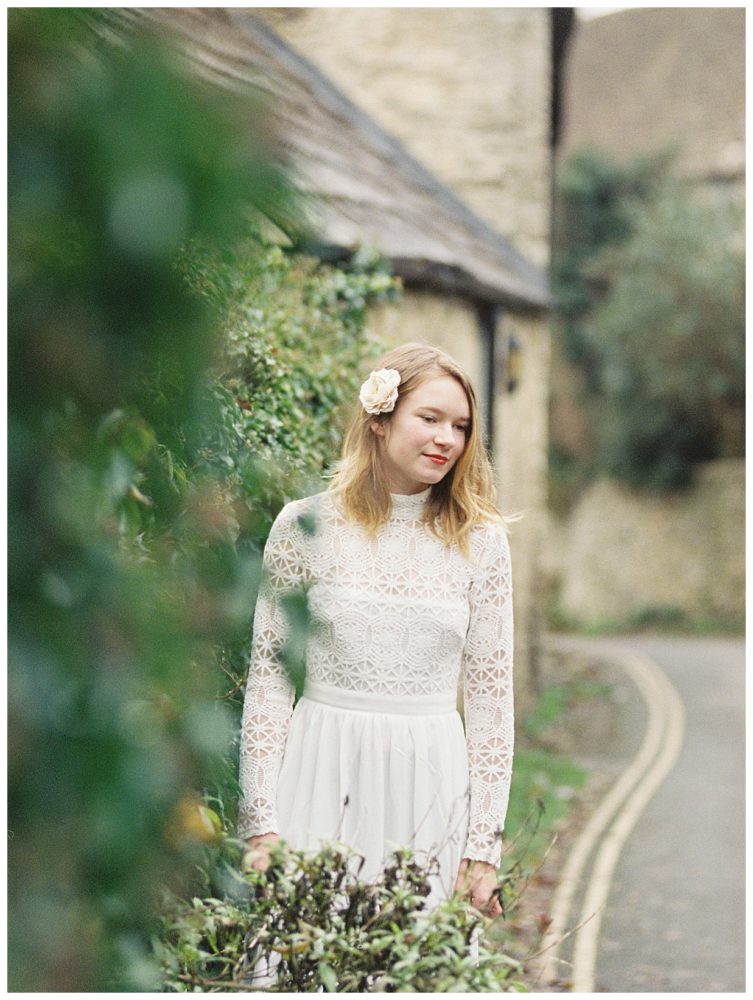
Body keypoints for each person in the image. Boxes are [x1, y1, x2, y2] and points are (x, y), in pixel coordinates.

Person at [238, 341, 514, 923]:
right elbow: (268, 681)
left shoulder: (483, 544)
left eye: (461, 426)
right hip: (317, 774)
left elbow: (491, 703)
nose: (447, 439)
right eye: (430, 419)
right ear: (380, 421)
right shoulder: (302, 527)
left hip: (431, 787)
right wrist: (261, 824)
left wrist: (481, 847)